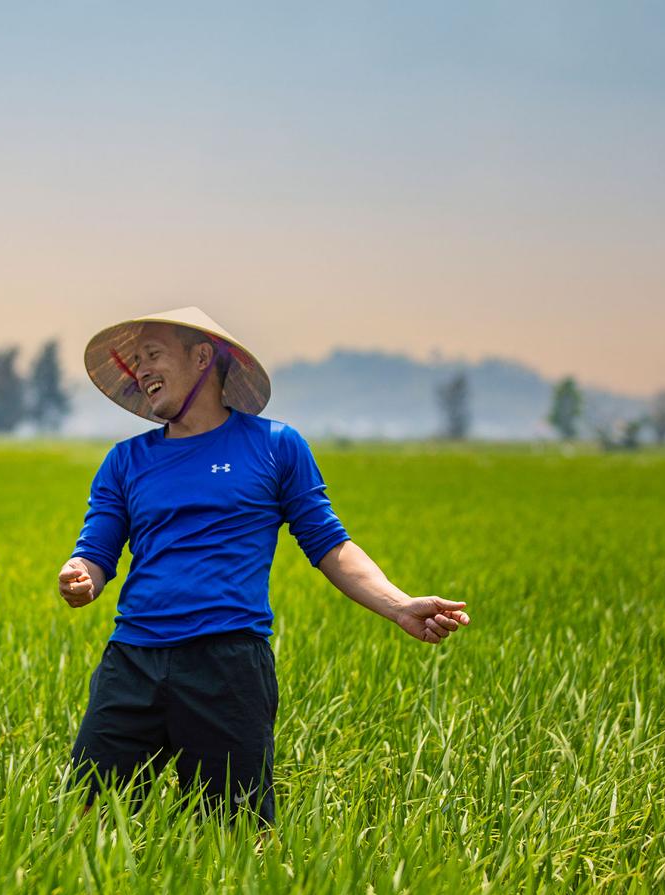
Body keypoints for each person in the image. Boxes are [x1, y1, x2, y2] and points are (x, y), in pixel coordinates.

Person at [59, 308, 470, 824]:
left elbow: (330, 545)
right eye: (136, 359)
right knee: (83, 819)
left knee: (232, 833)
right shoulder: (125, 460)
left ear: (202, 357)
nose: (141, 369)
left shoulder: (275, 446)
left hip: (227, 664)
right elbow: (96, 551)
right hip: (133, 662)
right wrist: (80, 577)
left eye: (154, 354)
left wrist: (399, 605)